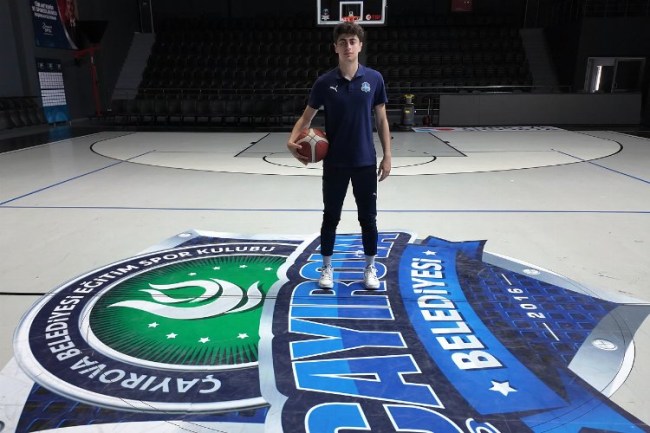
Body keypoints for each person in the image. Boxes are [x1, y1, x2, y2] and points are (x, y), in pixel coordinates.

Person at [287, 21, 392, 290]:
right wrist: (291, 141)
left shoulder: (374, 79)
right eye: (343, 42)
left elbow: (381, 119)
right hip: (335, 163)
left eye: (352, 42)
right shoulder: (324, 82)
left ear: (360, 46)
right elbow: (306, 118)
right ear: (335, 47)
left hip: (365, 161)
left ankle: (370, 268)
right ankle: (326, 267)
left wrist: (388, 155)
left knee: (368, 218)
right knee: (331, 217)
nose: (348, 46)